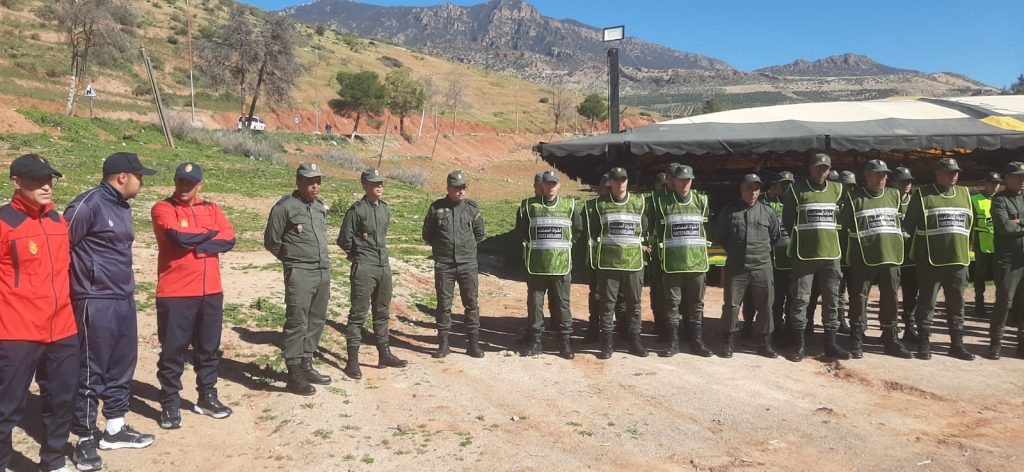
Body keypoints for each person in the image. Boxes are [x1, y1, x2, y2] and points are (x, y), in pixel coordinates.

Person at [65, 152, 157, 471]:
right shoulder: (87, 204)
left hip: (123, 297)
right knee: (91, 369)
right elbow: (62, 246)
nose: (142, 182)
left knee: (122, 364)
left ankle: (115, 428)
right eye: (139, 177)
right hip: (94, 299)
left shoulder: (123, 207)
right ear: (122, 177)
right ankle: (84, 438)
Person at [0, 154, 80, 472]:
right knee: (7, 406)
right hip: (17, 330)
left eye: (49, 180)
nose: (46, 186)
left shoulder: (59, 221)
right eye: (37, 180)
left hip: (62, 327)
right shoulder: (4, 223)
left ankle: (53, 460)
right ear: (16, 182)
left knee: (62, 400)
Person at [151, 163, 236, 430]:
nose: (184, 187)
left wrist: (199, 245)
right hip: (176, 292)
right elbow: (177, 237)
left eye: (190, 183)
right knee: (173, 351)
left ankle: (207, 396)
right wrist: (210, 235)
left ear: (200, 184)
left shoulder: (212, 208)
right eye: (180, 181)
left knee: (208, 349)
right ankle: (170, 402)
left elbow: (230, 238)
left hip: (210, 291)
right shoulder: (163, 208)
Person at [264, 162, 333, 396]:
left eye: (318, 181)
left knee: (317, 319)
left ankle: (306, 364)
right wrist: (292, 261)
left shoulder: (319, 207)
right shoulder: (285, 207)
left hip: (322, 270)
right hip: (300, 272)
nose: (315, 186)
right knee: (297, 320)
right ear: (298, 182)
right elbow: (271, 241)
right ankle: (293, 373)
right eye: (309, 181)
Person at [338, 168, 408, 380]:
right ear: (365, 186)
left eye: (381, 183)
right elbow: (344, 239)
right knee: (358, 314)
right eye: (375, 183)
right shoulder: (357, 210)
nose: (379, 186)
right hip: (365, 266)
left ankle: (384, 354)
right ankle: (352, 361)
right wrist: (357, 255)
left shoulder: (384, 209)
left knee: (382, 311)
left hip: (383, 266)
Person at [902, 158, 975, 361]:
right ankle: (924, 343)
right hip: (930, 261)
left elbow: (970, 226)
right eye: (949, 172)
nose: (954, 176)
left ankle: (957, 344)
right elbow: (908, 227)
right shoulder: (923, 195)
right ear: (937, 174)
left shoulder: (965, 193)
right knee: (927, 303)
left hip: (958, 260)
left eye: (956, 172)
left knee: (957, 304)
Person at [839, 160, 913, 359]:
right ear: (866, 175)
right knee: (859, 297)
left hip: (891, 256)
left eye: (884, 175)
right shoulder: (854, 198)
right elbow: (843, 228)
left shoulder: (894, 195)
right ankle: (857, 336)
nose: (881, 178)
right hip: (863, 257)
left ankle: (890, 338)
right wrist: (845, 259)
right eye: (877, 174)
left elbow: (902, 222)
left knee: (890, 297)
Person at [782, 153, 851, 362]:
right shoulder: (796, 190)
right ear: (810, 169)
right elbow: (788, 220)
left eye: (825, 168)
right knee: (800, 300)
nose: (822, 171)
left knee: (832, 300)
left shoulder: (838, 189)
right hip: (805, 255)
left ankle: (831, 345)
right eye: (818, 168)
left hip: (831, 255)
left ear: (829, 170)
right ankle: (799, 345)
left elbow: (844, 218)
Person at [515, 170, 582, 359]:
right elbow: (521, 231)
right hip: (537, 266)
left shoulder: (569, 205)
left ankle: (565, 342)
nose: (550, 187)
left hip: (561, 266)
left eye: (554, 183)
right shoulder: (529, 206)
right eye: (547, 183)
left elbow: (578, 230)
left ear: (558, 185)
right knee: (535, 304)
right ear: (542, 185)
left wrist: (566, 246)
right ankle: (536, 341)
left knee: (562, 304)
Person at [715, 174, 782, 358]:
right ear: (741, 189)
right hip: (736, 267)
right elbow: (721, 236)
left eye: (756, 188)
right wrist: (736, 252)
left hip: (762, 266)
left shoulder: (767, 211)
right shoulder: (729, 211)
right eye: (749, 188)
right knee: (731, 305)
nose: (753, 192)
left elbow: (774, 237)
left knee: (765, 305)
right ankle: (728, 341)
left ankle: (764, 343)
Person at [422, 170, 486, 358]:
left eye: (463, 187)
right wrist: (443, 249)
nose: (461, 191)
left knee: (471, 303)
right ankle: (443, 345)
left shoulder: (471, 208)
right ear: (448, 188)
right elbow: (428, 234)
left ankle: (473, 344)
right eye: (457, 188)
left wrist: (465, 249)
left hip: (467, 264)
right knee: (443, 304)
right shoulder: (437, 208)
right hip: (445, 265)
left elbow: (479, 234)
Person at [590, 167, 650, 359]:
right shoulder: (600, 205)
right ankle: (607, 344)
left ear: (627, 181)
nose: (620, 183)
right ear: (610, 182)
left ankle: (635, 341)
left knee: (634, 304)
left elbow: (645, 228)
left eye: (623, 179)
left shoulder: (639, 203)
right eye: (616, 180)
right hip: (609, 264)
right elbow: (594, 231)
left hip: (633, 264)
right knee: (607, 305)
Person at [653, 165, 712, 357]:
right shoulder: (663, 203)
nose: (685, 183)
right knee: (672, 304)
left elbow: (707, 229)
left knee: (696, 304)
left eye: (688, 179)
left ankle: (697, 343)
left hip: (697, 263)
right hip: (673, 264)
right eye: (681, 179)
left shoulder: (702, 201)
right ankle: (673, 343)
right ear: (673, 181)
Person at [986, 161, 1024, 359]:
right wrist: (1016, 223)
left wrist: (1018, 221)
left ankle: (1021, 344)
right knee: (1004, 302)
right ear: (1007, 178)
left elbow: (1012, 225)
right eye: (1018, 176)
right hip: (1008, 260)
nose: (1022, 180)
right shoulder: (1000, 200)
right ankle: (996, 343)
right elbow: (1004, 227)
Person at [890, 167, 920, 344]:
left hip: (910, 256)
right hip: (891, 255)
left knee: (911, 295)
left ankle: (910, 327)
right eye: (902, 181)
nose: (907, 184)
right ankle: (890, 328)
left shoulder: (915, 202)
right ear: (893, 183)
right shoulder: (887, 200)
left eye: (909, 181)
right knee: (890, 294)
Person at [971, 172, 1002, 317]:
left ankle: (1000, 306)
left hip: (1000, 245)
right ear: (986, 183)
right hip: (982, 244)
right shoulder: (975, 199)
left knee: (1000, 278)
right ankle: (979, 304)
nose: (995, 186)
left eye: (997, 183)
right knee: (980, 276)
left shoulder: (1002, 199)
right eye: (992, 183)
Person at [649, 171, 670, 341]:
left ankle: (673, 324)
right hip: (656, 252)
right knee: (657, 291)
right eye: (661, 185)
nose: (664, 188)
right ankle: (660, 324)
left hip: (673, 253)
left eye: (666, 185)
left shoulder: (671, 200)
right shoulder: (650, 201)